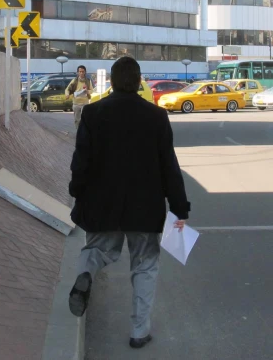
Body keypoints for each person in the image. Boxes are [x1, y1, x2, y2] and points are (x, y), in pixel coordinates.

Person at [67, 56, 190, 350]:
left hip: (101, 204)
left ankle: (85, 274)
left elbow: (81, 161)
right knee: (145, 266)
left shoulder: (93, 113)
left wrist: (77, 191)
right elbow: (169, 166)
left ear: (111, 81)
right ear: (138, 82)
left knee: (96, 249)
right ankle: (139, 331)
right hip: (145, 208)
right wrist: (179, 207)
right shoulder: (156, 117)